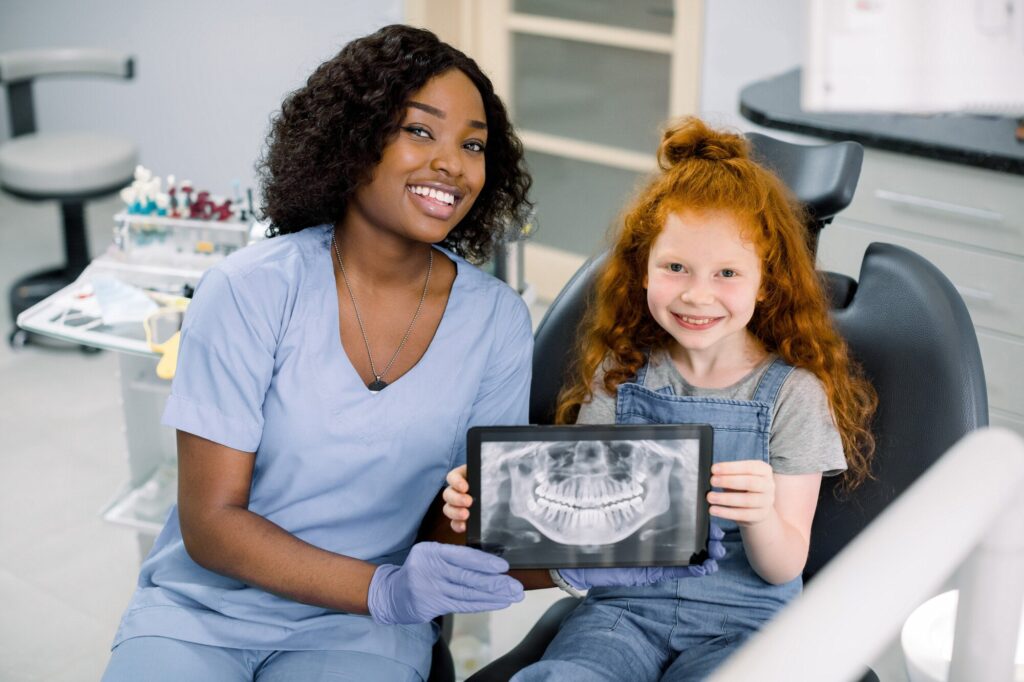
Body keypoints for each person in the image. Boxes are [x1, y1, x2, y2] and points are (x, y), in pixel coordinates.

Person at [102, 25, 536, 682]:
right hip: (202, 612)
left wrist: (568, 556)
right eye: (420, 131)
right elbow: (211, 522)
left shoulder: (497, 323)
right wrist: (382, 588)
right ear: (355, 140)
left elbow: (471, 520)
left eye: (472, 144)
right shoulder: (249, 291)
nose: (452, 163)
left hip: (361, 633)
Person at [443, 117, 877, 681]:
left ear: (765, 282)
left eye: (727, 273)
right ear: (642, 271)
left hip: (745, 622)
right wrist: (492, 500)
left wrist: (763, 515)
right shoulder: (618, 378)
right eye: (675, 268)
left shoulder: (793, 395)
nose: (698, 294)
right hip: (621, 613)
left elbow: (783, 565)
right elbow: (578, 524)